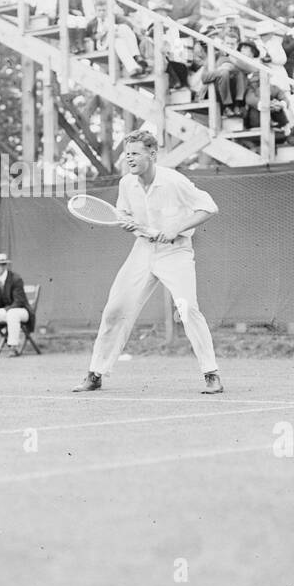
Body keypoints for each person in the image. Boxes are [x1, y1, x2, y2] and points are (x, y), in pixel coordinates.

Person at [75, 130, 223, 394]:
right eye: (127, 154)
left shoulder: (175, 181)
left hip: (176, 253)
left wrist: (177, 227)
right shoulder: (126, 184)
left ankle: (211, 374)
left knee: (187, 309)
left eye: (135, 153)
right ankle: (96, 373)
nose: (129, 159)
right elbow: (123, 214)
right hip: (142, 251)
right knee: (114, 309)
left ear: (152, 154)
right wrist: (131, 226)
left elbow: (209, 207)